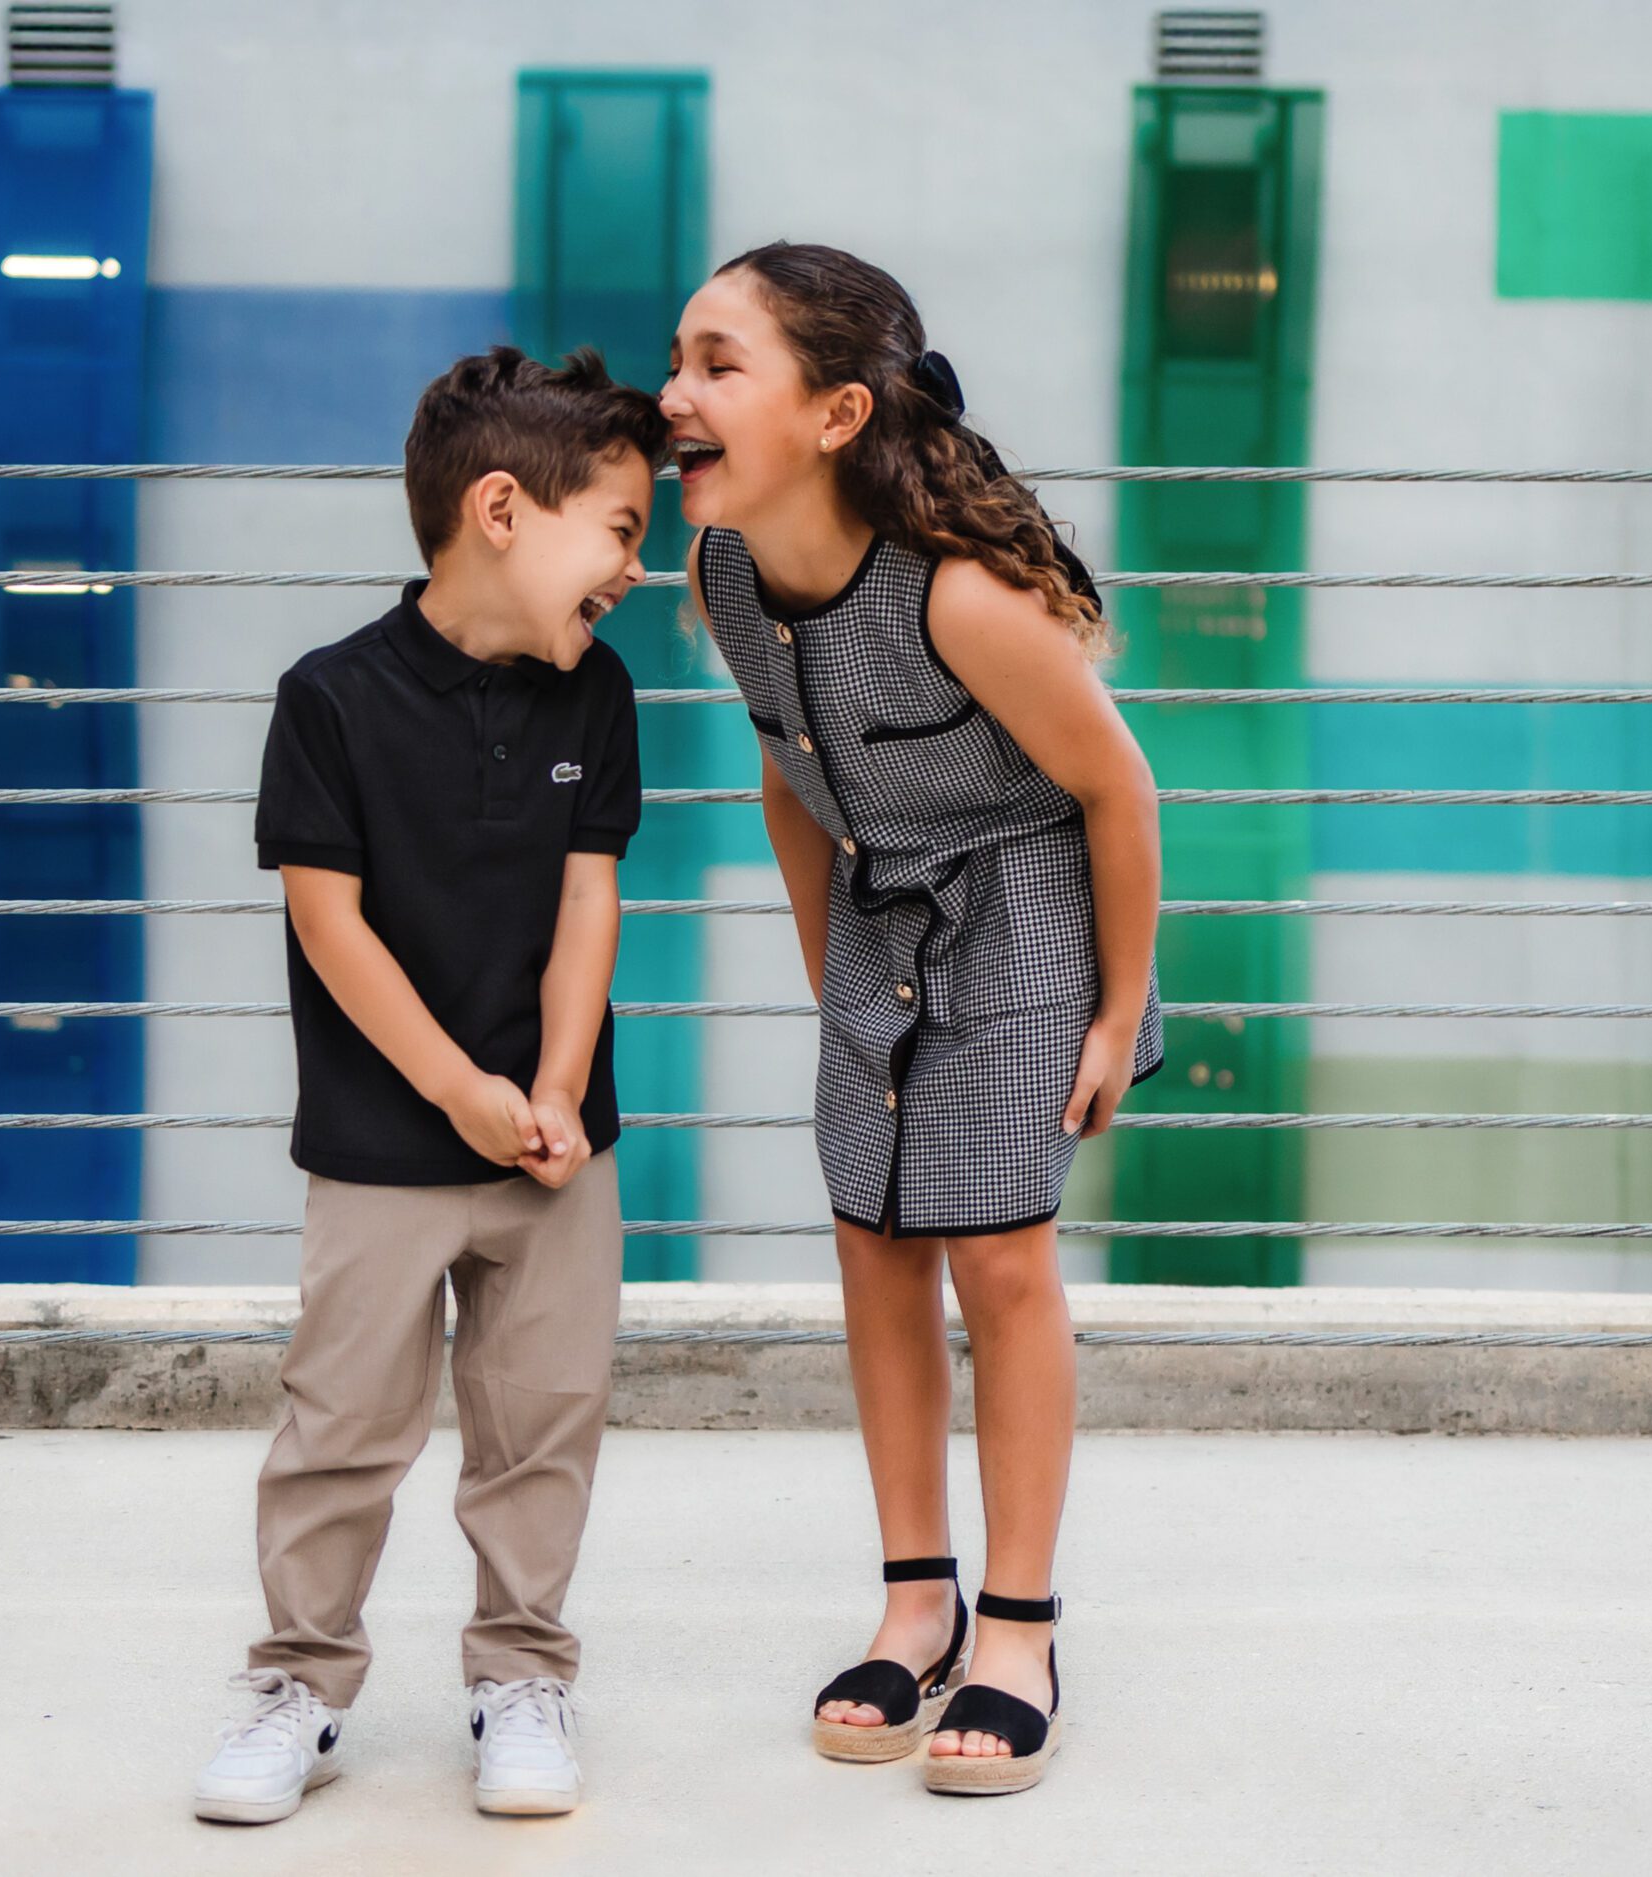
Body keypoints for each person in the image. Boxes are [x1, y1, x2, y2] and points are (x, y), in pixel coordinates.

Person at [661, 241, 1164, 1797]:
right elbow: (786, 778)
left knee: (999, 1258)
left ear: (836, 412)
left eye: (717, 363)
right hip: (879, 922)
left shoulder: (959, 597)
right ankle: (913, 1596)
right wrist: (836, 981)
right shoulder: (725, 576)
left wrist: (1115, 1010)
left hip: (1030, 911)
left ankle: (1017, 1626)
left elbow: (1115, 788)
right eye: (678, 356)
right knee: (872, 1244)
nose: (671, 394)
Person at [191, 346, 662, 1824]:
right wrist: (462, 1087)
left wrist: (557, 1085)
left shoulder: (599, 698)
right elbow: (329, 926)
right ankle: (298, 1680)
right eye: (626, 531)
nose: (637, 572)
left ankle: (521, 1671)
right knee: (342, 1422)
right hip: (385, 1146)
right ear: (504, 509)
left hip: (555, 1150)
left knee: (544, 1416)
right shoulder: (327, 698)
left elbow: (592, 902)